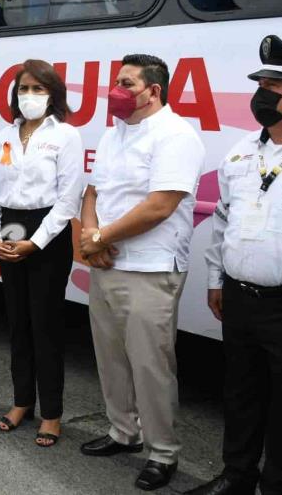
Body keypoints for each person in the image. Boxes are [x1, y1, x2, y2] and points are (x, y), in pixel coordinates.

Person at [190, 35, 282, 495]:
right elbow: (223, 219)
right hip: (241, 296)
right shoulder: (242, 150)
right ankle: (236, 476)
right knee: (240, 394)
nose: (262, 93)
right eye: (260, 83)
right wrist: (215, 279)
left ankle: (280, 486)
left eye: (275, 85)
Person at [79, 54, 205, 490]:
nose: (116, 90)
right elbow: (93, 190)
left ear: (153, 91)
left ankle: (163, 452)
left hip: (151, 268)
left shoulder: (176, 135)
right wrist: (91, 234)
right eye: (116, 81)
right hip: (107, 262)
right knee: (111, 357)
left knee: (151, 365)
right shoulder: (114, 133)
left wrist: (98, 238)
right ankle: (123, 432)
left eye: (126, 83)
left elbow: (160, 206)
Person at [0, 59, 84, 447]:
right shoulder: (6, 134)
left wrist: (35, 242)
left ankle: (52, 414)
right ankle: (21, 401)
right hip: (9, 226)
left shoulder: (66, 136)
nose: (29, 96)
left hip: (47, 235)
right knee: (17, 322)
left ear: (53, 95)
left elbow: (67, 199)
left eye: (38, 89)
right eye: (23, 89)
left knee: (45, 326)